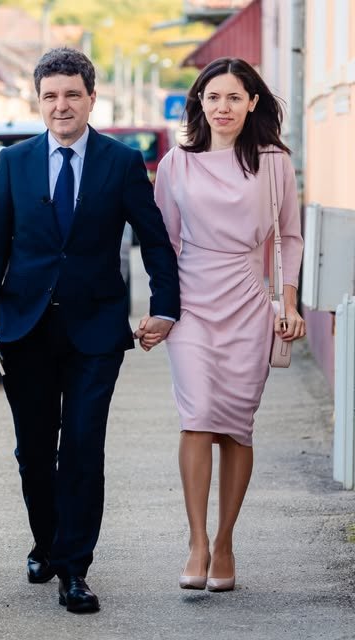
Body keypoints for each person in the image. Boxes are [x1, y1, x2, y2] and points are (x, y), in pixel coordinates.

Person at [0, 47, 180, 613]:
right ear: (38, 101)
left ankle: (74, 570)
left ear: (91, 99)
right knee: (35, 452)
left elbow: (154, 241)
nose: (60, 105)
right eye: (50, 96)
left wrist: (165, 307)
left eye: (71, 95)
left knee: (84, 448)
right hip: (25, 329)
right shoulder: (13, 162)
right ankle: (46, 542)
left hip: (96, 331)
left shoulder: (121, 162)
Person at [139, 57, 305, 592]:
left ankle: (226, 541)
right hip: (191, 302)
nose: (223, 107)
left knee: (236, 424)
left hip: (248, 300)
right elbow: (162, 245)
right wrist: (162, 310)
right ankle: (197, 542)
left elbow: (290, 237)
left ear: (252, 102)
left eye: (234, 97)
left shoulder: (274, 161)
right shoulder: (176, 163)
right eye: (213, 97)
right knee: (197, 417)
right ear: (200, 103)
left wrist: (289, 303)